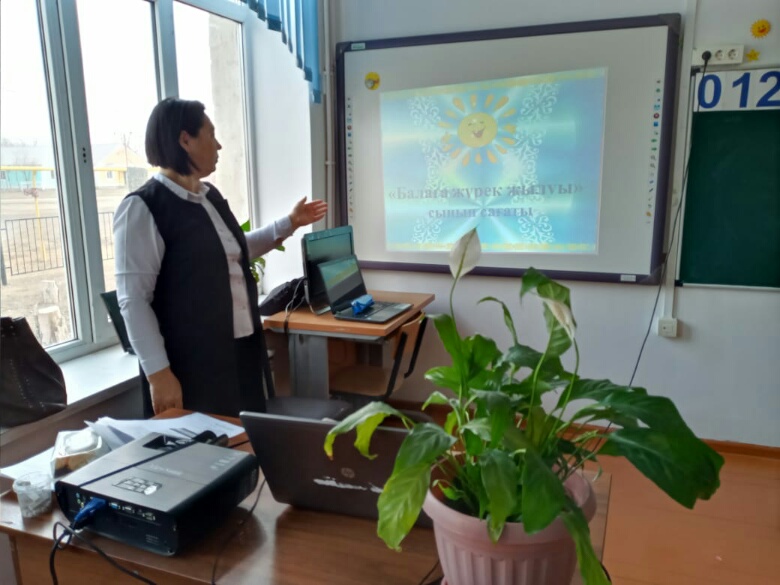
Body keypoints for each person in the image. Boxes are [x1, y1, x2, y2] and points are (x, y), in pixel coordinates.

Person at [114, 97, 327, 417]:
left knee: (246, 440)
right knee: (205, 447)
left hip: (239, 351)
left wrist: (290, 223)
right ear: (185, 140)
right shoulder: (143, 207)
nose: (219, 145)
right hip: (191, 364)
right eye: (211, 135)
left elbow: (233, 252)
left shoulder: (209, 196)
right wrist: (158, 374)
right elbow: (133, 300)